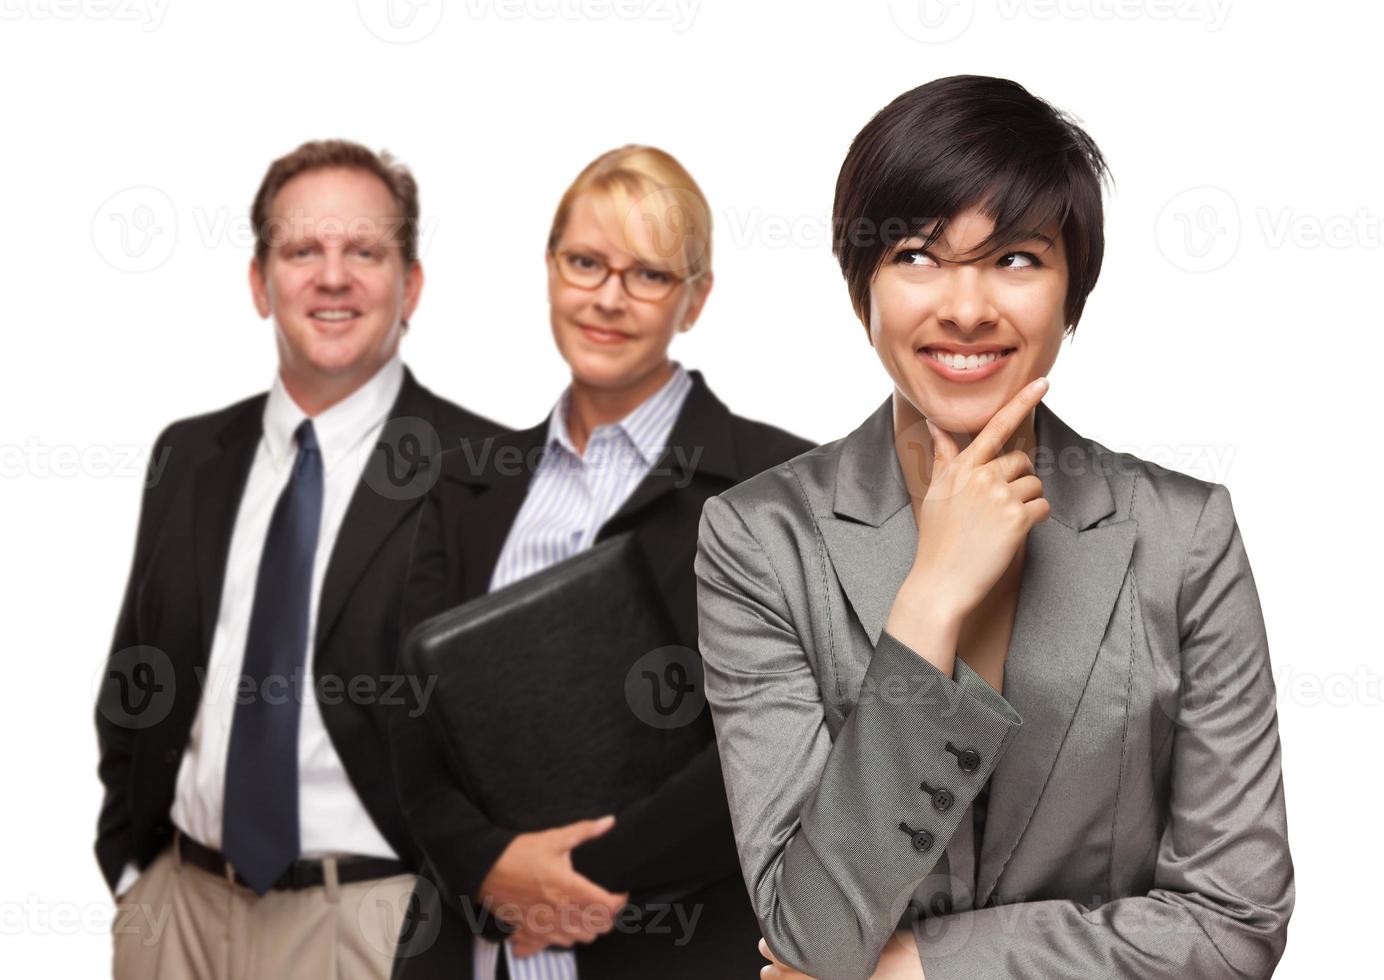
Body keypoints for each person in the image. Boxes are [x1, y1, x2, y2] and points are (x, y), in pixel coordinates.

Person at [694, 75, 1294, 980]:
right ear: (863, 284)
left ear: (1071, 291)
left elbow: (1233, 925)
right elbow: (809, 931)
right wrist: (931, 596)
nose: (966, 307)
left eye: (1014, 258)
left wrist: (920, 968)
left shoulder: (1183, 537)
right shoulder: (759, 541)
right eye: (917, 255)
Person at [388, 144, 815, 979]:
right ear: (550, 268)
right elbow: (411, 718)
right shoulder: (467, 484)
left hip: (674, 950)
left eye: (649, 275)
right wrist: (485, 871)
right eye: (585, 262)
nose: (608, 298)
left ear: (695, 300)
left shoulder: (780, 485)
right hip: (473, 951)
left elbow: (772, 740)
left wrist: (572, 882)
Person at [94, 139, 508, 979]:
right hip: (179, 912)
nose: (332, 276)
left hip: (371, 922)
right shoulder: (190, 454)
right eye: (301, 250)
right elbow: (135, 678)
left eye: (365, 251)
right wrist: (132, 874)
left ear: (410, 286)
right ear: (260, 282)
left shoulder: (483, 472)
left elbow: (513, 738)